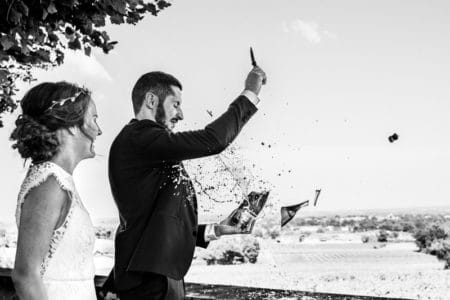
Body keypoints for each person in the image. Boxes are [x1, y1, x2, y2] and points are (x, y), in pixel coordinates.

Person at [106, 66, 267, 299]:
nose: (181, 114)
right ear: (151, 100)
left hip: (158, 278)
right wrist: (250, 92)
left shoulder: (146, 147)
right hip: (149, 283)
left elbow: (157, 222)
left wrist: (218, 230)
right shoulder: (139, 138)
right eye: (175, 104)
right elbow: (213, 140)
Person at [10, 82, 102, 300]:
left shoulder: (60, 181)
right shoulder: (50, 184)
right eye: (94, 119)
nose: (99, 130)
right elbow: (25, 276)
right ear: (71, 125)